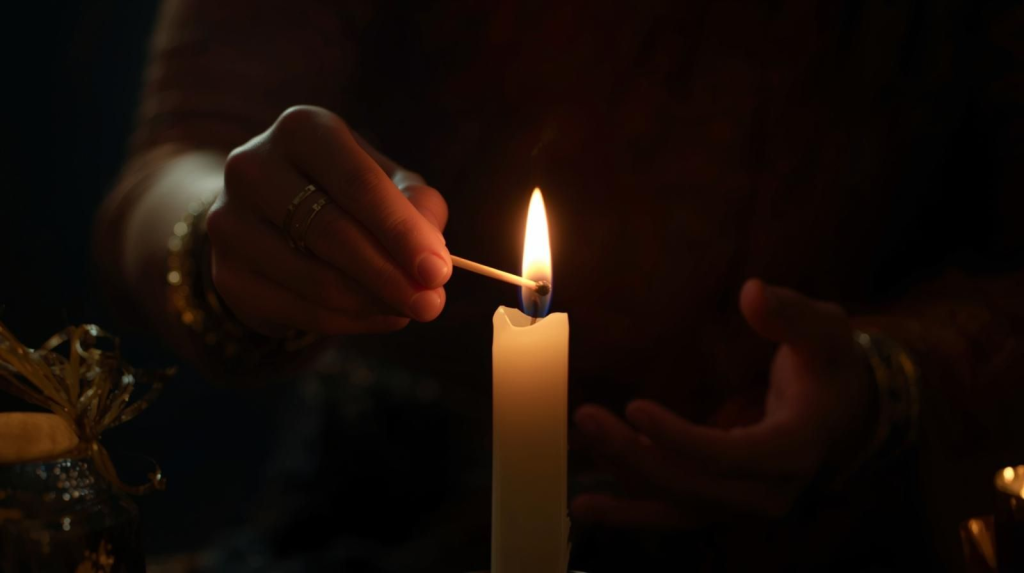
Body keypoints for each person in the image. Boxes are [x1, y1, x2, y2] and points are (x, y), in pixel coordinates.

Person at [94, 0, 1024, 570]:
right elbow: (173, 164)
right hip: (392, 515)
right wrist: (237, 227)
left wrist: (887, 379)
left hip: (839, 537)